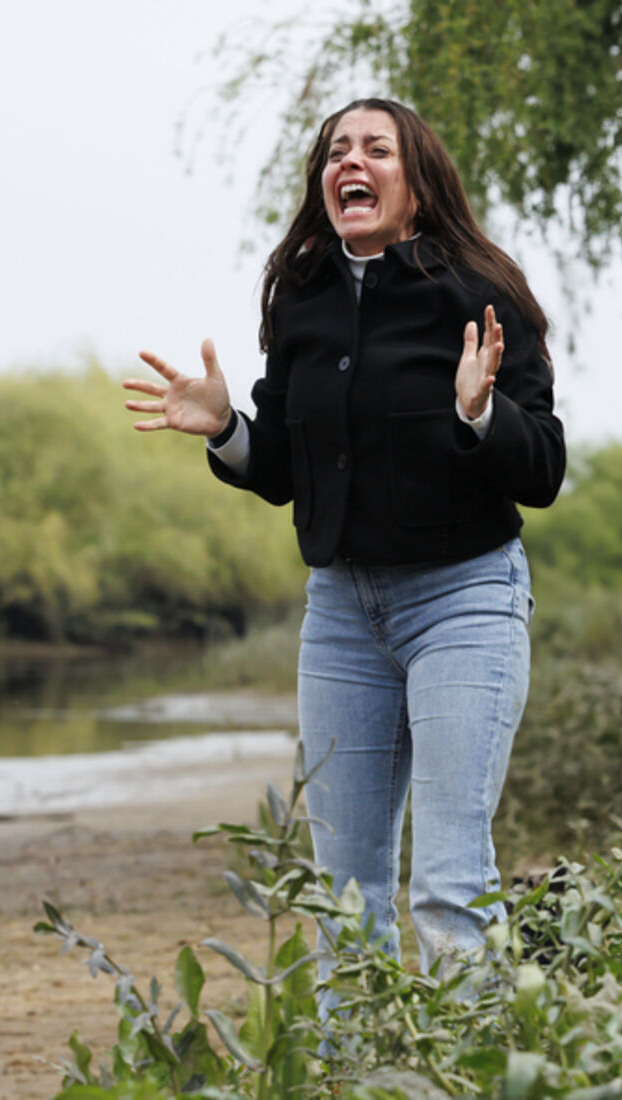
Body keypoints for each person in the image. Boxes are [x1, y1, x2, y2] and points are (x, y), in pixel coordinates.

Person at [123, 98, 565, 993]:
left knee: (446, 886)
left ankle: (464, 1075)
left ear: (417, 182)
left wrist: (482, 412)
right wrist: (226, 430)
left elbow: (545, 469)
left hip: (464, 600)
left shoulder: (481, 294)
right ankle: (353, 1082)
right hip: (341, 617)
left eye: (375, 148)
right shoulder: (304, 300)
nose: (349, 162)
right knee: (345, 893)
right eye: (335, 151)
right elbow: (283, 468)